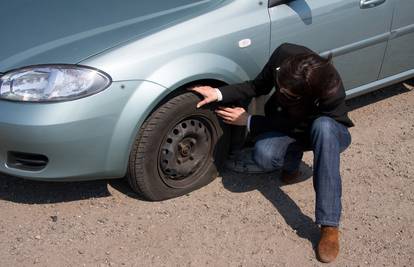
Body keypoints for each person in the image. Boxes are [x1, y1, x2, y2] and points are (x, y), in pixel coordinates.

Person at [191, 43, 354, 263]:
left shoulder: (329, 87)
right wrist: (218, 93)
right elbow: (256, 86)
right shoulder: (285, 56)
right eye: (279, 84)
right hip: (291, 127)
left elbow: (300, 126)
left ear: (305, 93)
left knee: (323, 127)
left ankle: (329, 225)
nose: (279, 89)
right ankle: (291, 167)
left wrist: (249, 120)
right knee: (265, 154)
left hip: (328, 135)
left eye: (285, 91)